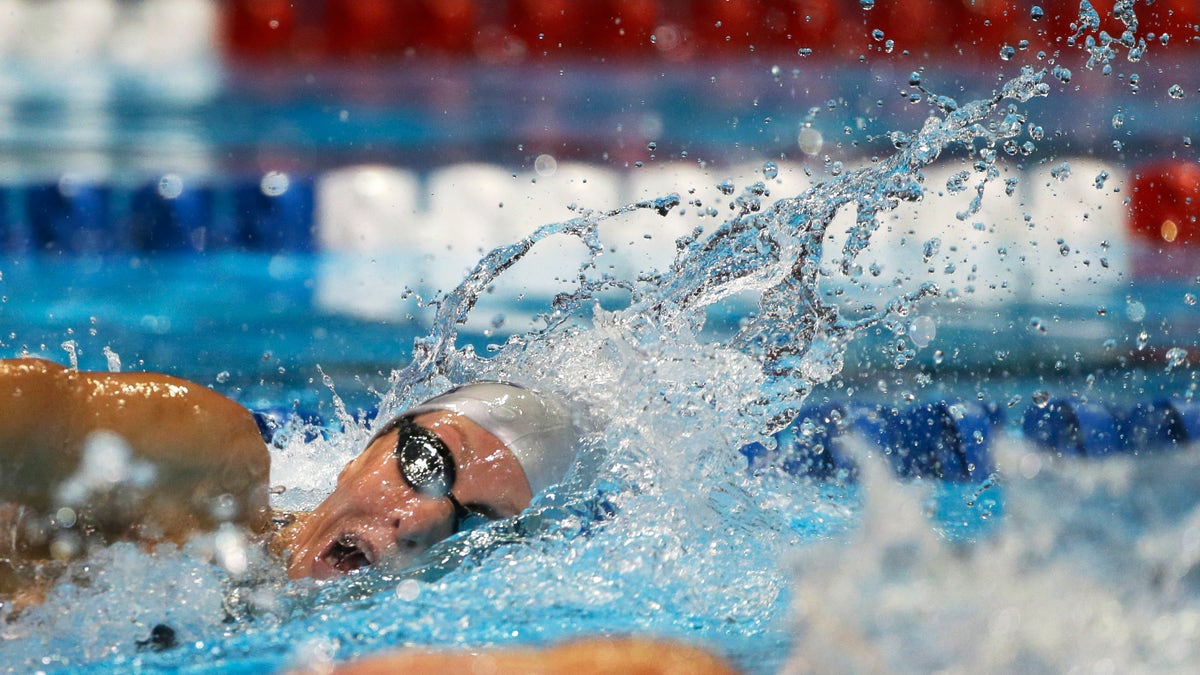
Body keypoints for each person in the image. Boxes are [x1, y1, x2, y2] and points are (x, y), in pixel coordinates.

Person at [0, 357, 576, 598]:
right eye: (427, 463)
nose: (422, 520)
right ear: (364, 451)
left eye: (475, 523)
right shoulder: (203, 464)